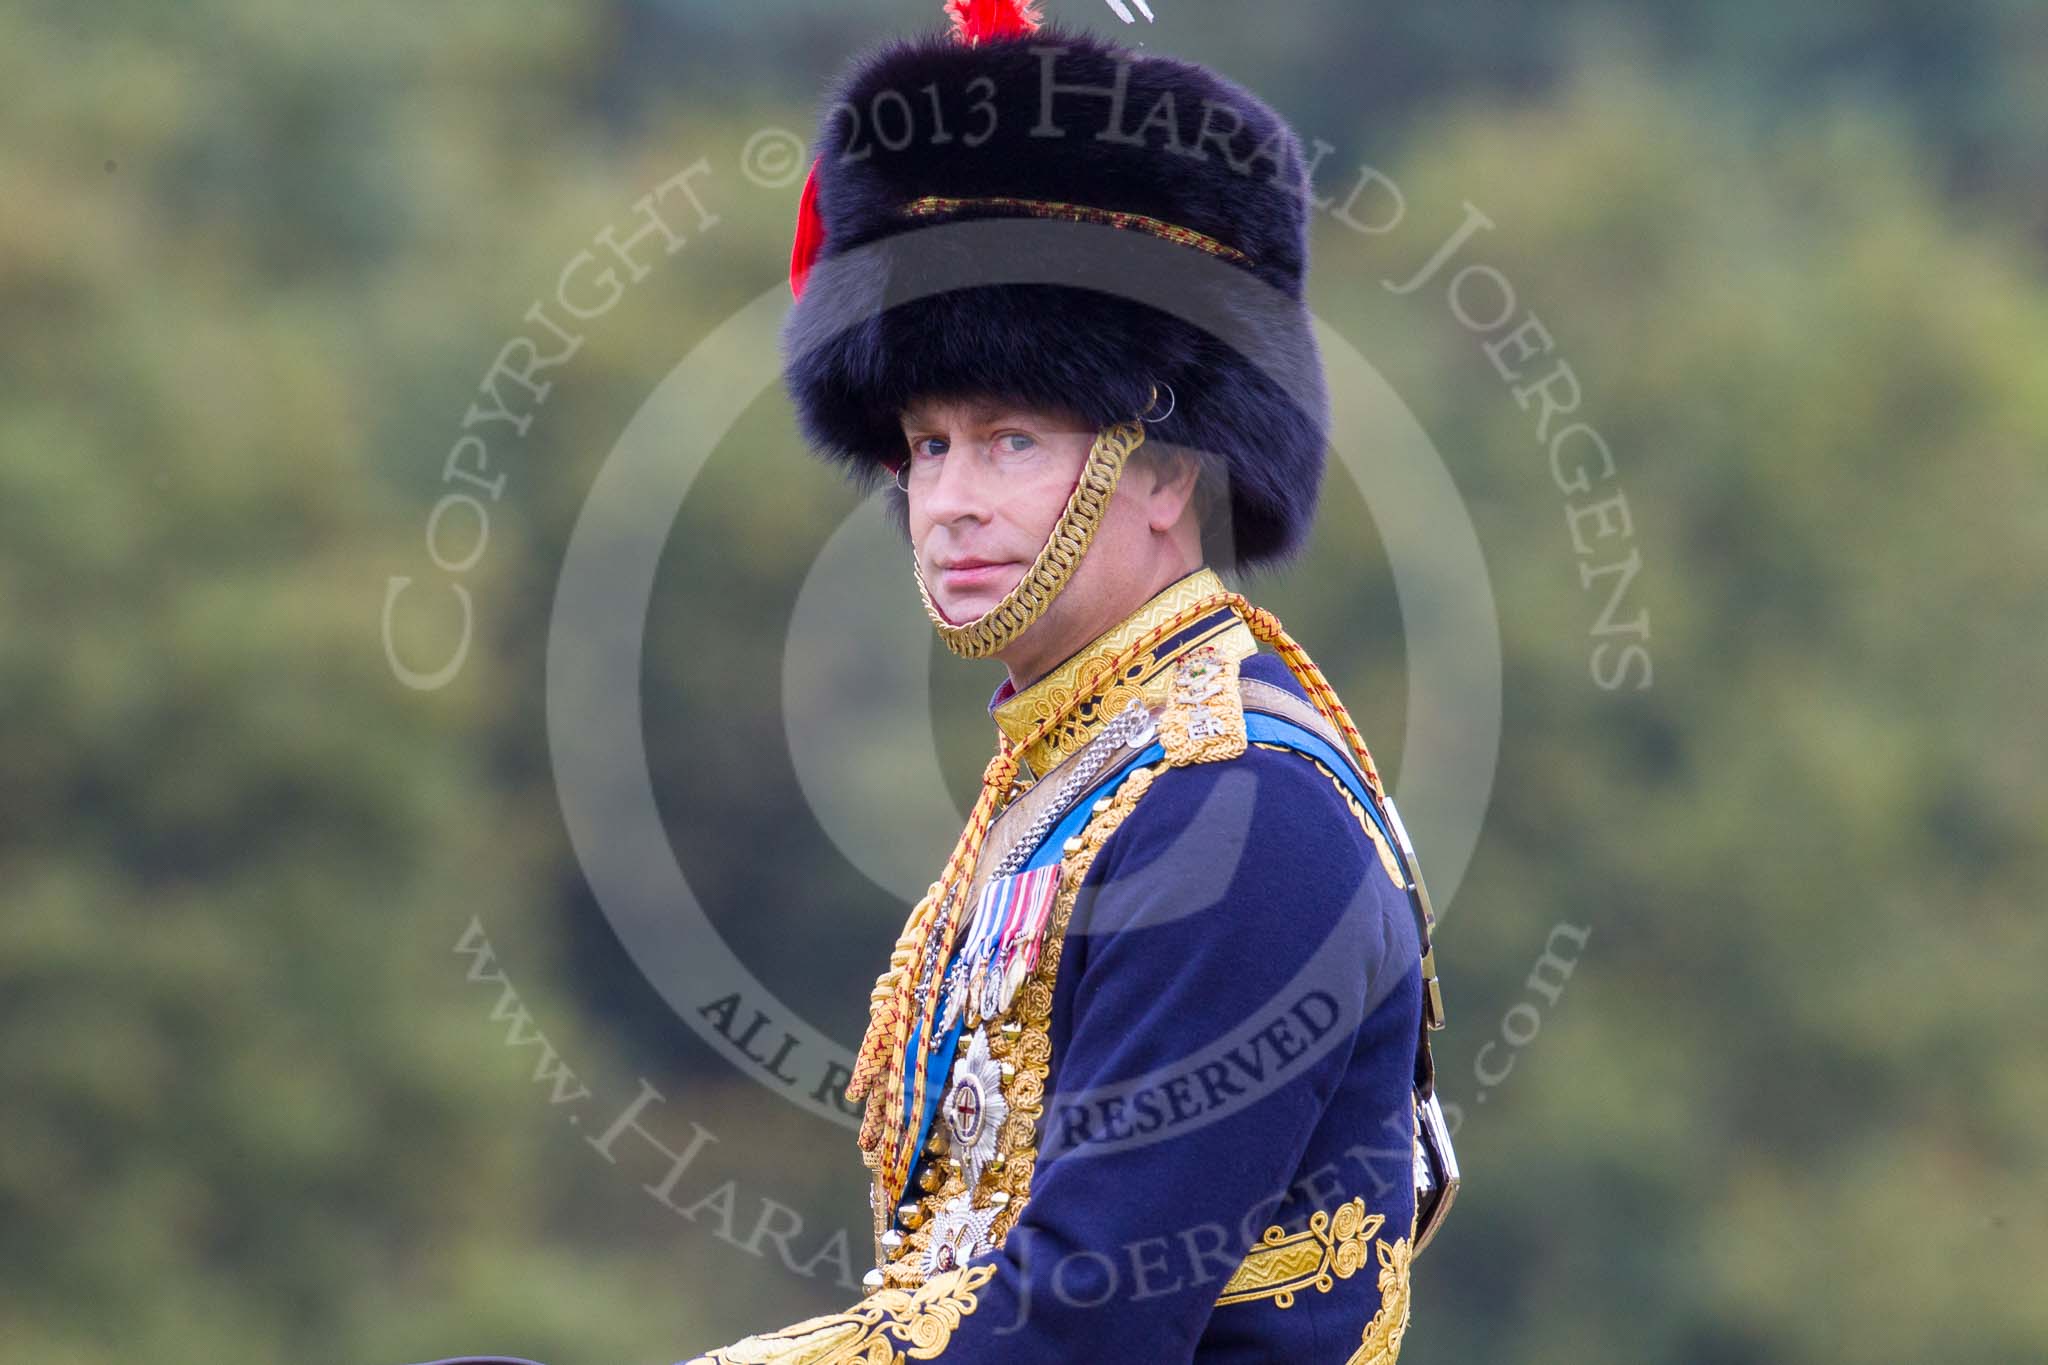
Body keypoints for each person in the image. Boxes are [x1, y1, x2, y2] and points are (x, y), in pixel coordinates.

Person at [677, 3, 1459, 1361]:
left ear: (1165, 468)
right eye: (925, 445)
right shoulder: (1080, 775)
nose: (950, 501)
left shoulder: (1243, 811)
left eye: (1014, 437)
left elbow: (1075, 1327)